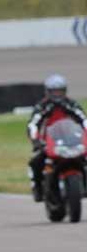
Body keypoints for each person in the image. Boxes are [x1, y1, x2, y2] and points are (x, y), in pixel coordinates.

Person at [26, 74, 87, 202]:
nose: (57, 94)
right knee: (35, 162)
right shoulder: (41, 106)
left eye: (60, 91)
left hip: (71, 140)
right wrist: (36, 141)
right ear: (48, 92)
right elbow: (33, 125)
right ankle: (38, 189)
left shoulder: (71, 104)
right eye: (54, 91)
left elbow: (84, 120)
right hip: (50, 142)